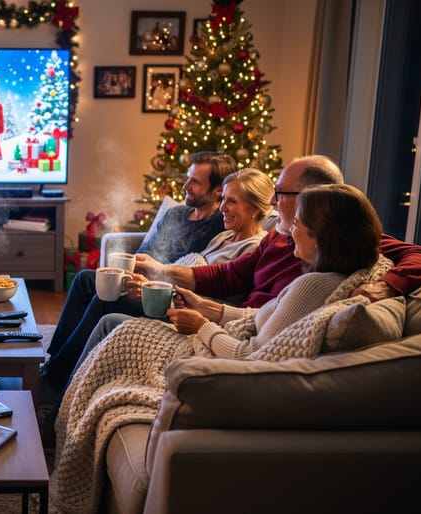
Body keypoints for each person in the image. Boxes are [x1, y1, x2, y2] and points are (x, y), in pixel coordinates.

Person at [50, 183, 393, 512]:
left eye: (299, 222)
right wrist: (206, 307)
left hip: (217, 351)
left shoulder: (311, 286)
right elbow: (260, 317)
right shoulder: (329, 278)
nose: (291, 228)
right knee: (118, 326)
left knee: (123, 334)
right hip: (222, 331)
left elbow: (250, 356)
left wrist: (203, 325)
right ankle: (55, 394)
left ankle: (56, 417)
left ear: (323, 236)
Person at [42, 166, 271, 391]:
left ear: (254, 207)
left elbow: (219, 297)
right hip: (174, 291)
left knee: (106, 300)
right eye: (224, 199)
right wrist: (153, 275)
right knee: (86, 280)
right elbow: (193, 268)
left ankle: (56, 377)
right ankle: (55, 361)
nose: (222, 207)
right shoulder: (224, 236)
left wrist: (155, 287)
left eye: (232, 201)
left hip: (185, 308)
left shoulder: (253, 247)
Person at [137, 155, 421, 309]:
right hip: (228, 323)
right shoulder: (278, 234)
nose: (272, 202)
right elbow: (228, 275)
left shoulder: (343, 237)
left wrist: (387, 285)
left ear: (313, 197)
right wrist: (159, 270)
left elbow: (418, 255)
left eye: (280, 193)